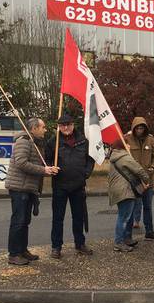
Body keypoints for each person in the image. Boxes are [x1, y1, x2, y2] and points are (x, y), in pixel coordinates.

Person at [5, 118, 59, 266]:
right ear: (34, 128)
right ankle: (14, 254)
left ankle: (22, 250)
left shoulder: (35, 142)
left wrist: (48, 170)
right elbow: (21, 162)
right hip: (19, 188)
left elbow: (36, 164)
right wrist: (43, 170)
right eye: (43, 127)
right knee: (18, 221)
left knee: (25, 221)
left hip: (28, 187)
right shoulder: (24, 141)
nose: (45, 130)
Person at [45, 114, 95, 259]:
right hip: (60, 185)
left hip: (78, 185)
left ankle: (80, 244)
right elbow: (47, 158)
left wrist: (85, 173)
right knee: (57, 218)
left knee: (78, 217)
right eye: (62, 125)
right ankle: (56, 247)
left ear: (73, 124)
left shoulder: (83, 141)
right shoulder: (53, 142)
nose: (65, 127)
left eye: (68, 124)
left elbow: (90, 159)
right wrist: (50, 167)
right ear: (59, 127)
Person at [108, 139, 152, 252]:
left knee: (126, 215)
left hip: (118, 190)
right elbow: (139, 170)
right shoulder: (124, 157)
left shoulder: (115, 157)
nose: (129, 145)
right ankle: (119, 242)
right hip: (125, 190)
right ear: (123, 145)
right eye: (127, 143)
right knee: (124, 217)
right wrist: (147, 180)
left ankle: (126, 238)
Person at [124, 117, 154, 241]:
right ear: (134, 128)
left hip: (147, 180)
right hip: (133, 181)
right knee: (131, 207)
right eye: (138, 128)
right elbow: (120, 155)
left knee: (148, 207)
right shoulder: (127, 139)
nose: (140, 130)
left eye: (142, 128)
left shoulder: (150, 139)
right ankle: (128, 236)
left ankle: (149, 232)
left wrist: (153, 167)